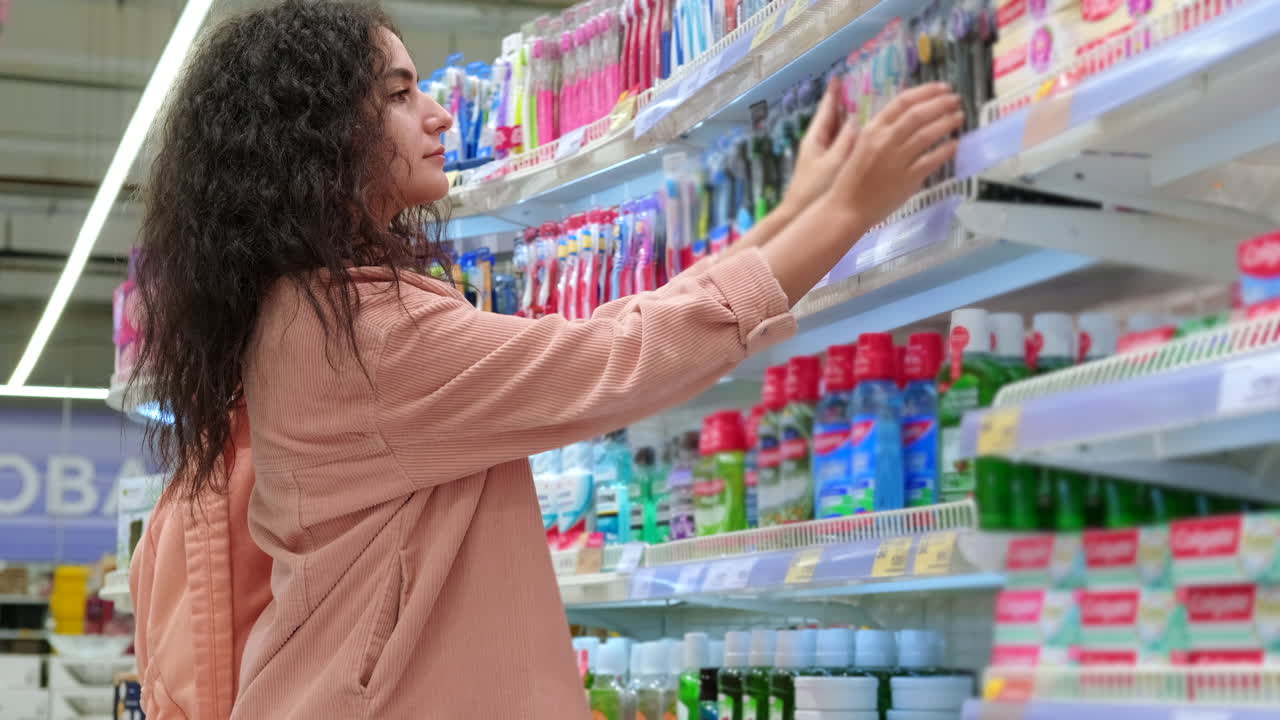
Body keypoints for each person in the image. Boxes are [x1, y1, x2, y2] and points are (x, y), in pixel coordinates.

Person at [129, 2, 962, 718]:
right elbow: (619, 355)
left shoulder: (316, 311)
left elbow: (618, 328)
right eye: (399, 95)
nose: (438, 114)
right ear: (317, 137)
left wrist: (803, 208)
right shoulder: (358, 333)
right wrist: (849, 209)